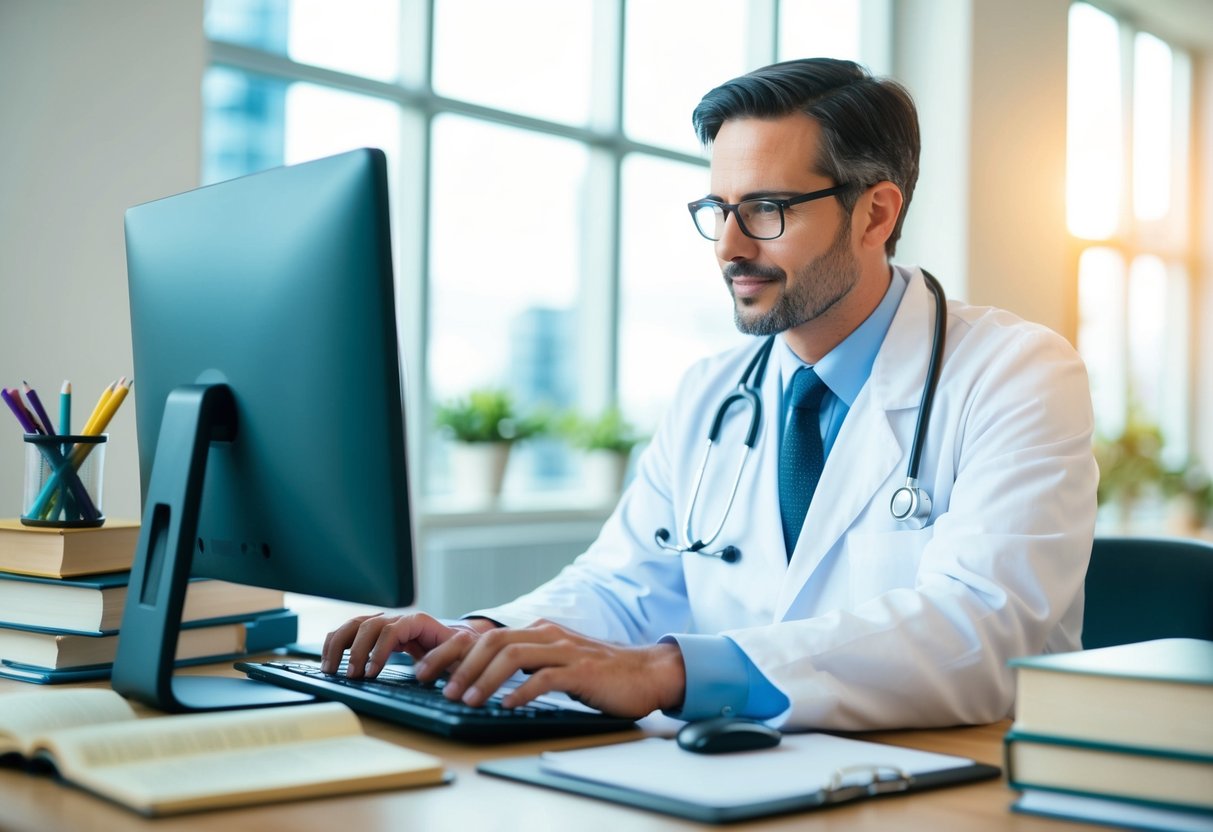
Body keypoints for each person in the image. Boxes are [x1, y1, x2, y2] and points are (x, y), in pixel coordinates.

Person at [321, 58, 1098, 730]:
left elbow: (985, 631)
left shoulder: (1015, 373)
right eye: (717, 210)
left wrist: (668, 673)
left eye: (765, 210)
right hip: (740, 775)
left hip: (936, 787)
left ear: (875, 212)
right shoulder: (711, 391)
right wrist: (480, 635)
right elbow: (622, 587)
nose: (728, 247)